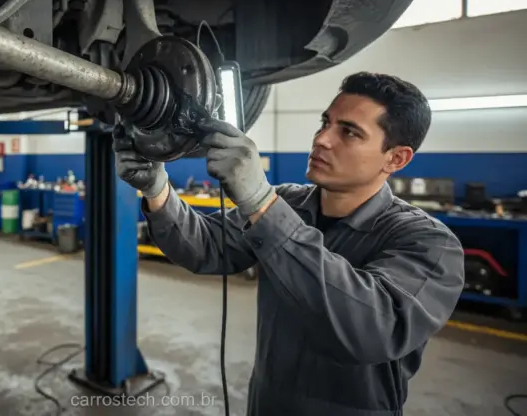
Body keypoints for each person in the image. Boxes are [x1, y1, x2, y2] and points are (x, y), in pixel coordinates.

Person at [114, 72, 465, 416]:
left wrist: (263, 205)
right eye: (325, 123)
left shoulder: (428, 243)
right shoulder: (290, 204)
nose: (322, 139)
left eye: (350, 132)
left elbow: (372, 329)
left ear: (396, 158)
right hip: (266, 402)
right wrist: (157, 189)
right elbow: (206, 246)